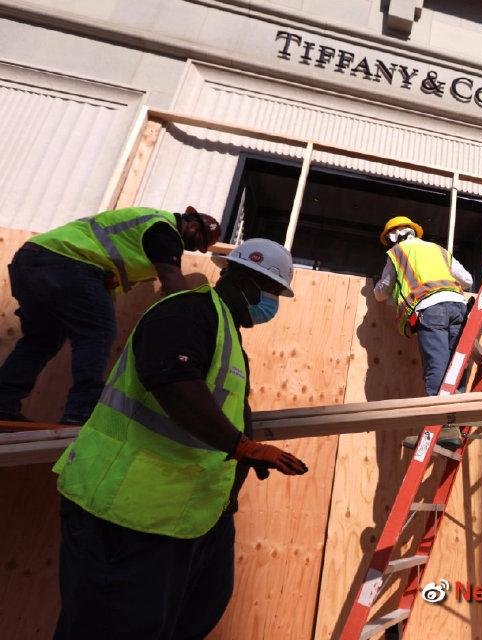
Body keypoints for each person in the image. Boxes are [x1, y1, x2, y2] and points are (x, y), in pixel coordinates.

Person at [51, 238, 309, 639]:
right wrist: (241, 446)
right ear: (242, 279)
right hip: (125, 512)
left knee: (190, 616)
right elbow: (173, 383)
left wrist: (239, 465)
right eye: (272, 291)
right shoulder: (188, 312)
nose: (272, 303)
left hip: (186, 516)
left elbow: (215, 409)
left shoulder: (223, 330)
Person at [0, 206, 222, 425]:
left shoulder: (147, 229)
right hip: (68, 262)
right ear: (191, 223)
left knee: (40, 340)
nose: (194, 246)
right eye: (198, 237)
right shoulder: (164, 230)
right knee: (98, 334)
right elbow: (171, 276)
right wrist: (190, 319)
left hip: (31, 261)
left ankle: (3, 404)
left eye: (200, 245)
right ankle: (81, 412)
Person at [373, 216, 473, 449]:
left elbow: (381, 292)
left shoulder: (397, 253)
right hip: (457, 306)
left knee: (436, 366)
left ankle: (442, 427)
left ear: (391, 237)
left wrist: (379, 288)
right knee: (454, 366)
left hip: (431, 309)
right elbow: (466, 280)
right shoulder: (438, 250)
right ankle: (453, 423)